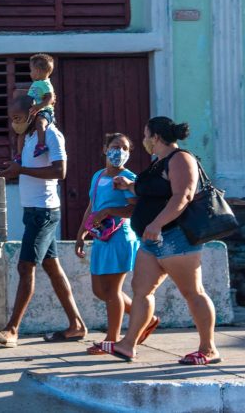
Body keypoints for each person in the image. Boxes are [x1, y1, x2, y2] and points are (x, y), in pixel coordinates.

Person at [95, 117, 221, 365]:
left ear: (155, 137)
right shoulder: (159, 163)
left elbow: (182, 195)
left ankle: (208, 349)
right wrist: (130, 186)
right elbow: (154, 193)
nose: (143, 140)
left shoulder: (181, 159)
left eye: (145, 135)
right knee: (141, 291)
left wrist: (157, 223)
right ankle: (128, 345)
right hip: (151, 241)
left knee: (193, 292)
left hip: (175, 238)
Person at [0, 95, 86, 347]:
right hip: (33, 211)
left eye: (18, 118)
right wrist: (13, 171)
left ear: (32, 112)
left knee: (25, 267)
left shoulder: (51, 134)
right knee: (52, 268)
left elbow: (60, 171)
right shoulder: (29, 138)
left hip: (44, 212)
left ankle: (12, 329)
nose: (14, 124)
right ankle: (76, 325)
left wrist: (23, 171)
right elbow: (28, 168)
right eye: (12, 120)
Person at [74, 133, 160, 354]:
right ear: (104, 149)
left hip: (119, 236)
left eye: (125, 148)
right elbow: (92, 205)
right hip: (101, 237)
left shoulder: (128, 179)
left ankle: (111, 340)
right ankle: (146, 318)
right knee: (100, 290)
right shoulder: (98, 176)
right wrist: (81, 233)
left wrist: (110, 211)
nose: (119, 152)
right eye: (114, 146)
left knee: (112, 291)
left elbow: (134, 209)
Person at [16, 53, 56, 160]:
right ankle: (19, 155)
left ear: (37, 71)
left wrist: (39, 106)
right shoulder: (35, 84)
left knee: (40, 123)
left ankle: (41, 144)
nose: (30, 73)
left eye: (31, 70)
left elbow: (50, 98)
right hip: (33, 112)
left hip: (44, 111)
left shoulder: (45, 84)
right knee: (22, 131)